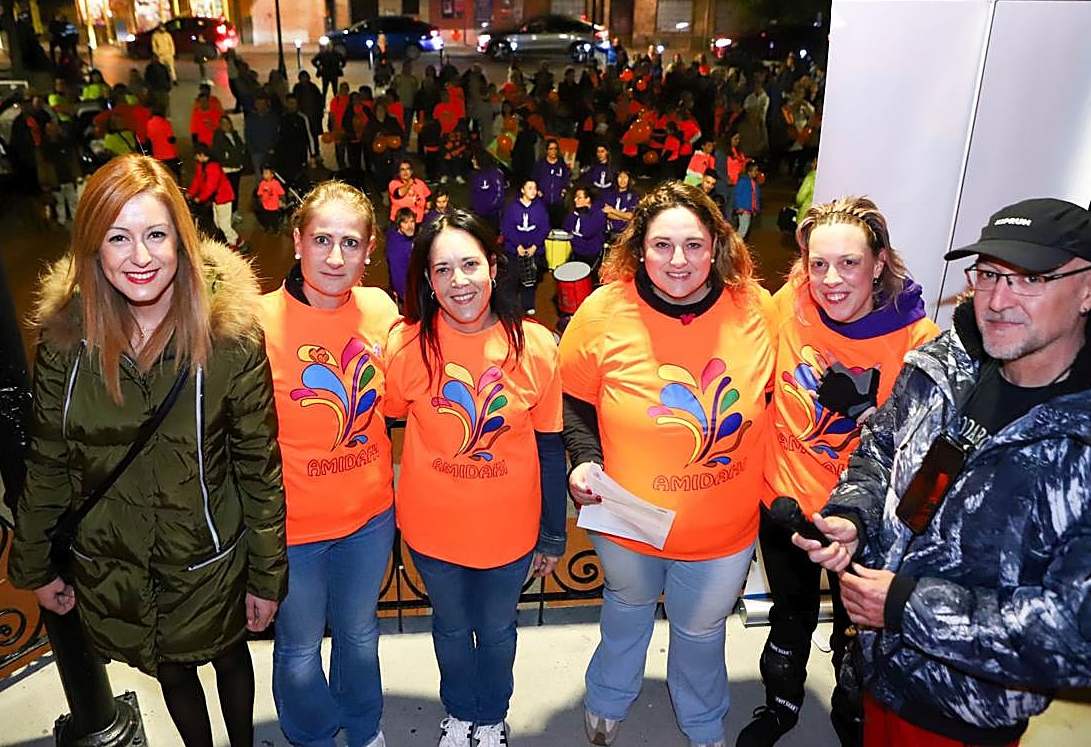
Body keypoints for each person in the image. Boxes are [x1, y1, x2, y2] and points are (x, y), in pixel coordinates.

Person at [796, 198, 1091, 747]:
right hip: (878, 668)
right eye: (988, 275)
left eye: (1030, 279)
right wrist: (853, 516)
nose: (998, 302)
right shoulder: (951, 360)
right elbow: (881, 446)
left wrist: (907, 606)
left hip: (966, 709)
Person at [7, 154, 286, 747]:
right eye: (118, 237)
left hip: (209, 557)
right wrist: (33, 564)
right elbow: (50, 461)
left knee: (230, 661)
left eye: (156, 234)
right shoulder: (67, 343)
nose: (140, 257)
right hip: (124, 563)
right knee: (172, 670)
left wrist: (266, 575)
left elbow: (258, 467)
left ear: (181, 239)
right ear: (93, 248)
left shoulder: (229, 337)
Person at [560, 181, 775, 747]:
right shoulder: (603, 310)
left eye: (694, 245)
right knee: (627, 604)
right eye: (661, 246)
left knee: (701, 630)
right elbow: (575, 398)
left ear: (717, 247)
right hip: (626, 517)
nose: (678, 261)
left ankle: (703, 721)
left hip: (721, 527)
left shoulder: (756, 307)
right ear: (640, 248)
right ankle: (609, 694)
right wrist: (583, 459)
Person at [736, 196, 939, 747]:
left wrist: (875, 413)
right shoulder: (793, 303)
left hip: (864, 520)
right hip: (784, 501)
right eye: (818, 263)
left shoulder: (917, 340)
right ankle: (779, 705)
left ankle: (852, 717)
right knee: (789, 612)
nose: (830, 279)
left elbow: (932, 450)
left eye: (848, 263)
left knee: (859, 630)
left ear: (878, 264)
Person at [384, 210, 567, 747]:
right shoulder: (408, 347)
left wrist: (553, 533)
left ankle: (491, 718)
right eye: (442, 270)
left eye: (469, 264)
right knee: (448, 628)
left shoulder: (535, 346)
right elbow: (388, 415)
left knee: (496, 631)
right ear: (428, 280)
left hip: (508, 531)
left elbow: (550, 448)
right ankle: (460, 712)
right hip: (433, 527)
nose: (458, 281)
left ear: (493, 266)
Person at [258, 181, 399, 747]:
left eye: (350, 242)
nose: (336, 257)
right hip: (293, 529)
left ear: (369, 251)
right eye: (322, 239)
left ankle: (363, 729)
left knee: (360, 635)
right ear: (297, 242)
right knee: (296, 648)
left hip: (369, 518)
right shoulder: (257, 322)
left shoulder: (381, 308)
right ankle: (313, 735)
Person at [501, 179, 550, 316]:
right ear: (522, 190)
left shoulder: (540, 207)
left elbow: (544, 228)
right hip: (515, 250)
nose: (533, 191)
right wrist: (517, 245)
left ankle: (528, 304)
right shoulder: (512, 208)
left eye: (535, 188)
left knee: (530, 280)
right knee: (513, 277)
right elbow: (507, 228)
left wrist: (535, 245)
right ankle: (510, 306)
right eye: (529, 188)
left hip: (534, 250)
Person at [189, 144, 241, 249]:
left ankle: (234, 244)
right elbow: (197, 180)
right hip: (216, 199)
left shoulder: (213, 167)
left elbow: (211, 186)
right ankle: (235, 241)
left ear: (202, 155)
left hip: (223, 198)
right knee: (218, 223)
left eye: (197, 155)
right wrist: (191, 192)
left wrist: (200, 198)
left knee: (224, 225)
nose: (196, 158)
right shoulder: (201, 165)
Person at [568, 186, 608, 276]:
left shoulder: (598, 214)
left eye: (579, 197)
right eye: (575, 197)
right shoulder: (575, 212)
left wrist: (583, 214)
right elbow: (567, 228)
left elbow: (587, 232)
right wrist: (574, 215)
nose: (575, 200)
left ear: (587, 199)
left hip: (590, 255)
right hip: (576, 252)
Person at [533, 139, 571, 228]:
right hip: (543, 202)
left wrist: (563, 191)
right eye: (551, 149)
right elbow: (534, 179)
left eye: (555, 149)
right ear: (546, 150)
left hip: (558, 203)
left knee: (557, 225)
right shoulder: (540, 164)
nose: (553, 151)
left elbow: (566, 179)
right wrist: (538, 191)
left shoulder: (562, 164)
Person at [469, 148, 506, 231]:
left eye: (474, 159)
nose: (472, 161)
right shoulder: (475, 175)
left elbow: (499, 194)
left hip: (492, 215)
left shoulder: (495, 174)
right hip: (478, 214)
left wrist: (490, 208)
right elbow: (474, 193)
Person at [386, 207, 417, 305]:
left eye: (412, 221)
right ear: (399, 224)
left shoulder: (393, 234)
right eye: (405, 222)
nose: (410, 226)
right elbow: (398, 275)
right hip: (407, 296)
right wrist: (407, 297)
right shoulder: (401, 248)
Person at [388, 159, 430, 224]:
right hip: (400, 222)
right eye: (402, 169)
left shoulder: (419, 183)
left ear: (411, 171)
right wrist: (409, 184)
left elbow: (428, 196)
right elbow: (399, 194)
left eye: (408, 169)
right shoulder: (393, 183)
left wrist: (427, 208)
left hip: (418, 220)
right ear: (398, 172)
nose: (405, 172)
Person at [600, 169, 638, 240]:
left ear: (629, 179)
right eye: (620, 177)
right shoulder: (609, 193)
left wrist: (612, 210)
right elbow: (606, 213)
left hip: (626, 233)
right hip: (610, 231)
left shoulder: (634, 196)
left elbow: (631, 216)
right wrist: (624, 217)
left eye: (625, 177)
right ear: (616, 178)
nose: (622, 180)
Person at [255, 164, 287, 234]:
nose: (264, 175)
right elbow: (259, 193)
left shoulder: (276, 183)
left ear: (272, 175)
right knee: (266, 218)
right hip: (265, 206)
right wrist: (260, 202)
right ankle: (267, 228)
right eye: (264, 173)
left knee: (275, 219)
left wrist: (282, 201)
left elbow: (281, 193)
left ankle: (276, 229)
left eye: (266, 173)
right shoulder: (262, 183)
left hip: (274, 206)